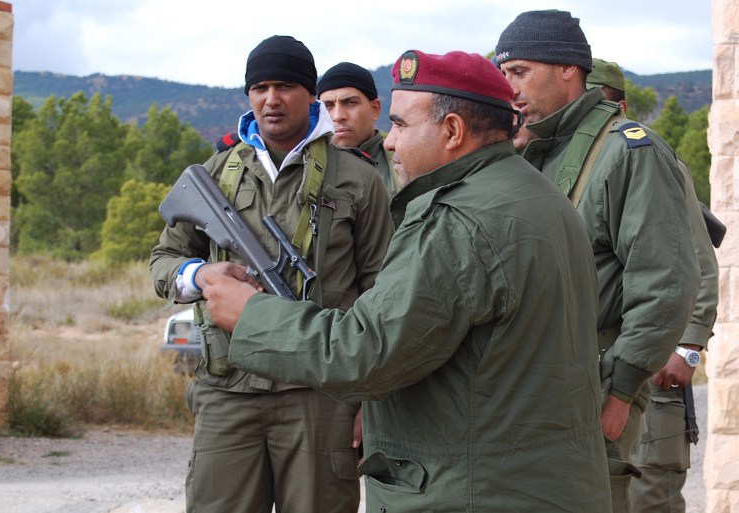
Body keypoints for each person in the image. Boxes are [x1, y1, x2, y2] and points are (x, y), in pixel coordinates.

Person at [199, 49, 612, 513]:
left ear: (452, 131)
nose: (390, 143)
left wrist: (250, 315)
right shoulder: (540, 196)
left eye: (400, 125)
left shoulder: (457, 222)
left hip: (470, 492)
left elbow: (366, 352)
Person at [150, 35, 394, 513]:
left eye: (285, 86)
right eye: (260, 88)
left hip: (320, 393)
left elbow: (381, 294)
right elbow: (164, 259)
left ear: (309, 93)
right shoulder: (218, 171)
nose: (271, 99)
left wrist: (372, 400)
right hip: (228, 389)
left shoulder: (357, 177)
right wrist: (201, 274)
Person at [494, 10, 701, 513]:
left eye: (519, 71)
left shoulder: (628, 153)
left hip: (595, 387)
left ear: (568, 68)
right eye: (502, 73)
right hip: (530, 386)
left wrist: (621, 393)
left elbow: (665, 285)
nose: (508, 87)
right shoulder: (535, 151)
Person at [585, 58, 719, 513]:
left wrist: (689, 347)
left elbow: (696, 263)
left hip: (655, 362)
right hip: (607, 361)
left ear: (620, 107)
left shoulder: (647, 160)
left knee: (650, 492)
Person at [317, 61, 399, 192]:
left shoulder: (402, 164)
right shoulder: (307, 166)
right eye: (328, 106)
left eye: (350, 103)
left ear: (375, 109)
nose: (338, 116)